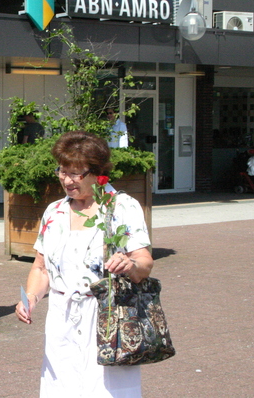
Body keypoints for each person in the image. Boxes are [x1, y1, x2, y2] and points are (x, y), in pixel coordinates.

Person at [15, 130, 153, 397]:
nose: (67, 180)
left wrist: (130, 265)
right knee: (62, 389)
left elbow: (145, 263)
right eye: (62, 171)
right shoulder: (54, 212)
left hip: (108, 317)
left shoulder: (123, 207)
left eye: (76, 173)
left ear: (98, 173)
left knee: (105, 391)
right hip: (62, 316)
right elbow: (40, 268)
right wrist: (30, 298)